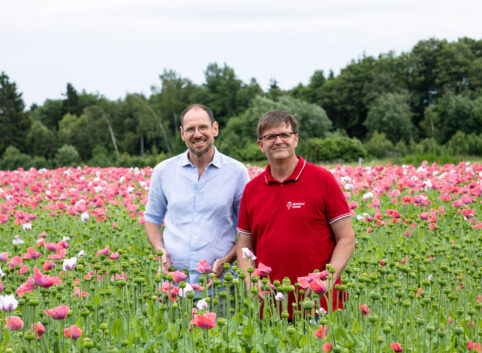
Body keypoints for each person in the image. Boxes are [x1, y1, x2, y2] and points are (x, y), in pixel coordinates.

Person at [235, 109, 355, 316]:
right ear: (260, 144)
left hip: (319, 303)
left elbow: (346, 238)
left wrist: (326, 278)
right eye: (270, 137)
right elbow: (245, 246)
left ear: (296, 139)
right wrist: (250, 281)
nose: (278, 141)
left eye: (285, 135)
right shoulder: (251, 189)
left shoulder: (323, 180)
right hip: (271, 305)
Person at [145, 104, 250, 286]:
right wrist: (160, 251)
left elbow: (247, 229)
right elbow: (152, 218)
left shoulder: (237, 172)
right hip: (173, 283)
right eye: (190, 129)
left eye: (203, 127)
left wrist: (227, 260)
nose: (197, 134)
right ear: (182, 134)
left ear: (214, 128)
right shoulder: (164, 171)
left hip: (219, 283)